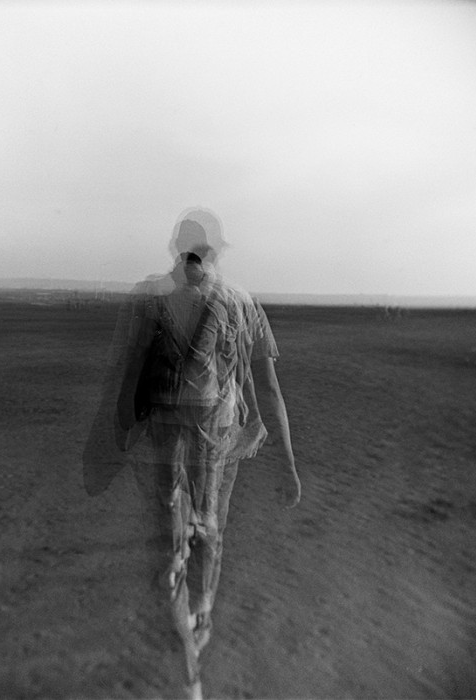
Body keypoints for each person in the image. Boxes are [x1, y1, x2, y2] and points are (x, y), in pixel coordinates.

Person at [83, 207, 300, 699]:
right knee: (205, 538)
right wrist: (287, 464)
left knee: (176, 551)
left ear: (176, 250)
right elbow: (268, 389)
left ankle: (191, 644)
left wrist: (108, 445)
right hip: (209, 449)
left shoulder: (151, 299)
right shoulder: (238, 301)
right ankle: (195, 639)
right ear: (213, 251)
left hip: (173, 451)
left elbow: (122, 377)